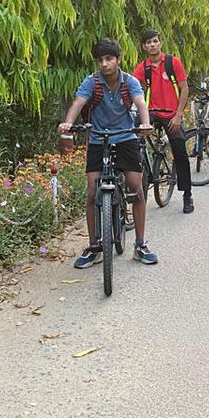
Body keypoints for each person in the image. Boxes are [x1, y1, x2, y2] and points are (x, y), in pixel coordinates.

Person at [60, 38, 157, 267]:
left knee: (137, 189)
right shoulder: (91, 82)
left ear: (118, 60)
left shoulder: (129, 82)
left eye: (109, 59)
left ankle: (140, 244)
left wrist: (144, 124)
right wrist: (68, 124)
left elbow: (140, 103)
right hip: (97, 139)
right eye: (101, 60)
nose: (104, 64)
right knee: (93, 192)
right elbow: (78, 103)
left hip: (125, 136)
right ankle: (94, 246)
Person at [138, 29, 194, 214]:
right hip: (151, 113)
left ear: (160, 43)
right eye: (148, 43)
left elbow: (184, 89)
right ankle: (140, 182)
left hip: (171, 113)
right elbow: (132, 90)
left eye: (155, 41)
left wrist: (179, 115)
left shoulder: (172, 62)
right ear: (144, 47)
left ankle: (187, 194)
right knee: (133, 140)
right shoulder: (142, 68)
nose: (152, 45)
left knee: (179, 150)